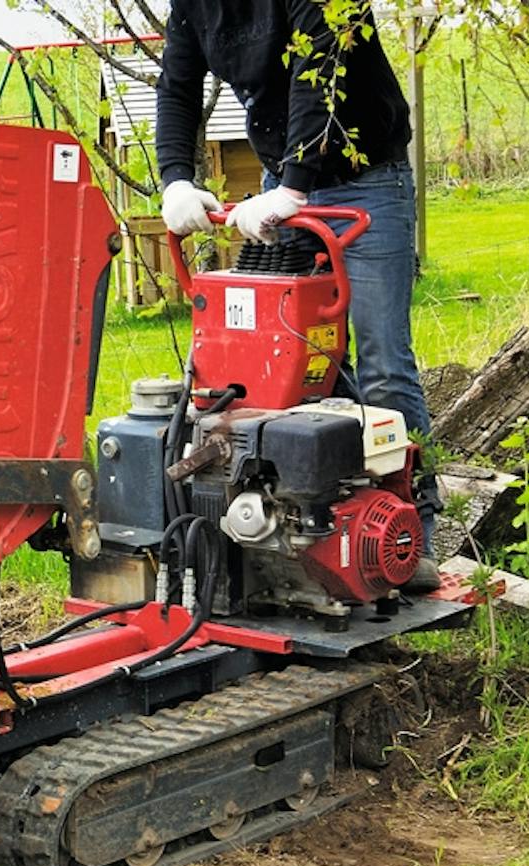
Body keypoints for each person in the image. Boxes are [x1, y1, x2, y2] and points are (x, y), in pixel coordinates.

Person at [154, 0, 440, 588]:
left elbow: (321, 70)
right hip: (282, 182)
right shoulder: (194, 6)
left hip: (368, 182)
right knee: (296, 367)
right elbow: (177, 86)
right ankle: (315, 539)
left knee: (384, 363)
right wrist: (175, 177)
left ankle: (412, 538)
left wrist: (294, 188)